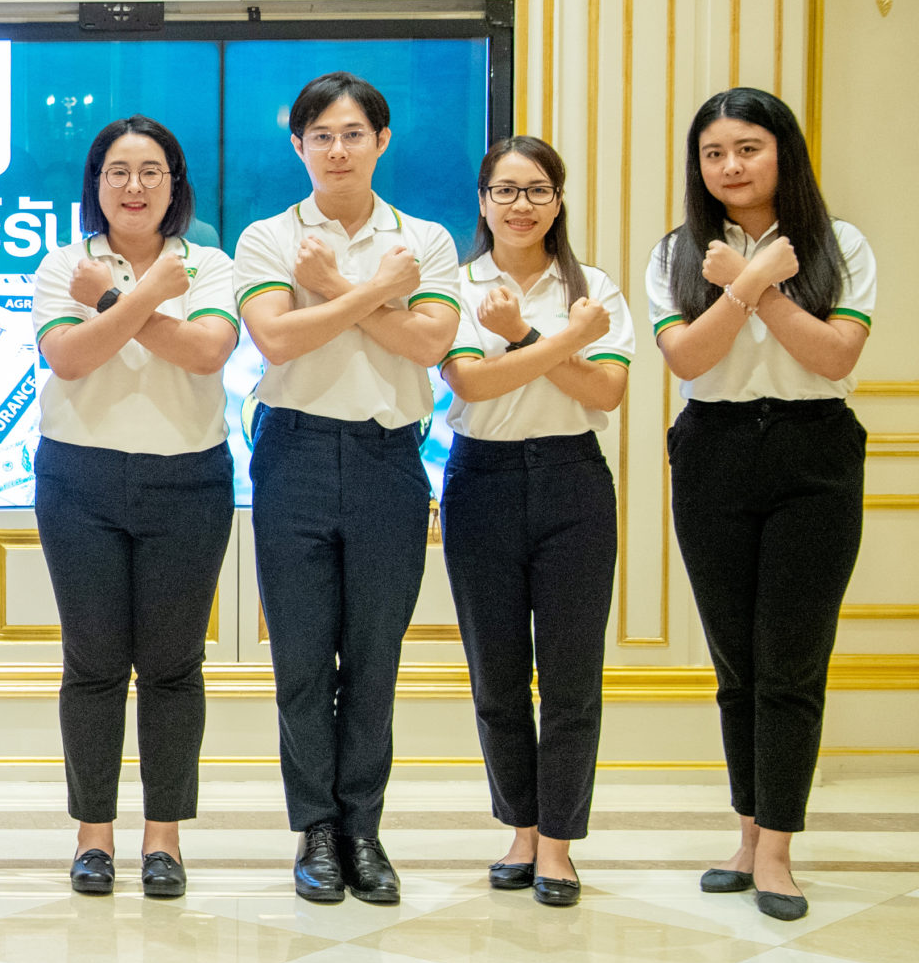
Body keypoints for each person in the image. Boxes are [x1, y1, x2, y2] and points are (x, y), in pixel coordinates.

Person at [235, 71, 461, 905]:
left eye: (353, 133)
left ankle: (364, 830)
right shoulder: (270, 237)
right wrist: (372, 294)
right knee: (301, 659)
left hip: (386, 458)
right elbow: (277, 339)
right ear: (298, 145)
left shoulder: (423, 240)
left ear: (382, 140)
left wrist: (332, 288)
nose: (337, 149)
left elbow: (430, 344)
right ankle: (317, 831)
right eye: (321, 135)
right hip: (292, 452)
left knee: (374, 657)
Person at [649, 88, 874, 922]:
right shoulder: (677, 252)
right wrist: (744, 283)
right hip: (713, 450)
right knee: (736, 661)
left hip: (814, 453)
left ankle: (777, 848)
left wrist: (762, 287)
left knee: (792, 660)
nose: (730, 166)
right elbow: (688, 360)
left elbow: (835, 355)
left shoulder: (838, 244)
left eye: (748, 148)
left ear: (783, 152)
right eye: (714, 153)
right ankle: (746, 835)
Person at [32, 117, 239, 900]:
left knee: (172, 666)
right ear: (96, 184)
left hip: (188, 478)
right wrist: (147, 297)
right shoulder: (64, 264)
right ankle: (93, 836)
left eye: (152, 170)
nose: (134, 186)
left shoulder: (208, 264)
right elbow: (70, 357)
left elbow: (206, 352)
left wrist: (115, 300)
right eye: (117, 171)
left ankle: (163, 838)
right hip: (79, 477)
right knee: (92, 664)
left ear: (174, 183)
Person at [435, 138, 632, 908]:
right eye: (506, 190)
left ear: (559, 200)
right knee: (498, 676)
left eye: (538, 189)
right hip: (480, 480)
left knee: (572, 677)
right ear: (483, 201)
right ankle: (520, 830)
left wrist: (525, 337)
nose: (522, 205)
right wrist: (564, 343)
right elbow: (471, 382)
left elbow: (605, 392)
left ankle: (558, 844)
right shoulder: (456, 285)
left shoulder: (593, 289)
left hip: (573, 480)